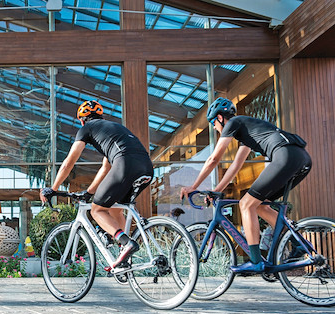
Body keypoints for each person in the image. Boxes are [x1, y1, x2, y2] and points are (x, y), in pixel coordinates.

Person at [180, 97, 311, 273]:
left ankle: (256, 262)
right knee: (259, 206)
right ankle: (299, 244)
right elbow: (236, 165)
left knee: (245, 204)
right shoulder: (245, 130)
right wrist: (217, 190)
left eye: (213, 122)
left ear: (219, 118)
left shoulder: (233, 122)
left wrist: (193, 186)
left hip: (284, 156)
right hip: (302, 159)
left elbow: (214, 159)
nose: (214, 127)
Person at [40, 100, 154, 270]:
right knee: (115, 209)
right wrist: (90, 191)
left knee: (97, 210)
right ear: (101, 116)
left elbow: (68, 163)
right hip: (147, 167)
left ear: (81, 120)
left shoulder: (86, 129)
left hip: (125, 164)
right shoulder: (114, 129)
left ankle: (125, 242)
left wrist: (53, 188)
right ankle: (123, 256)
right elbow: (106, 167)